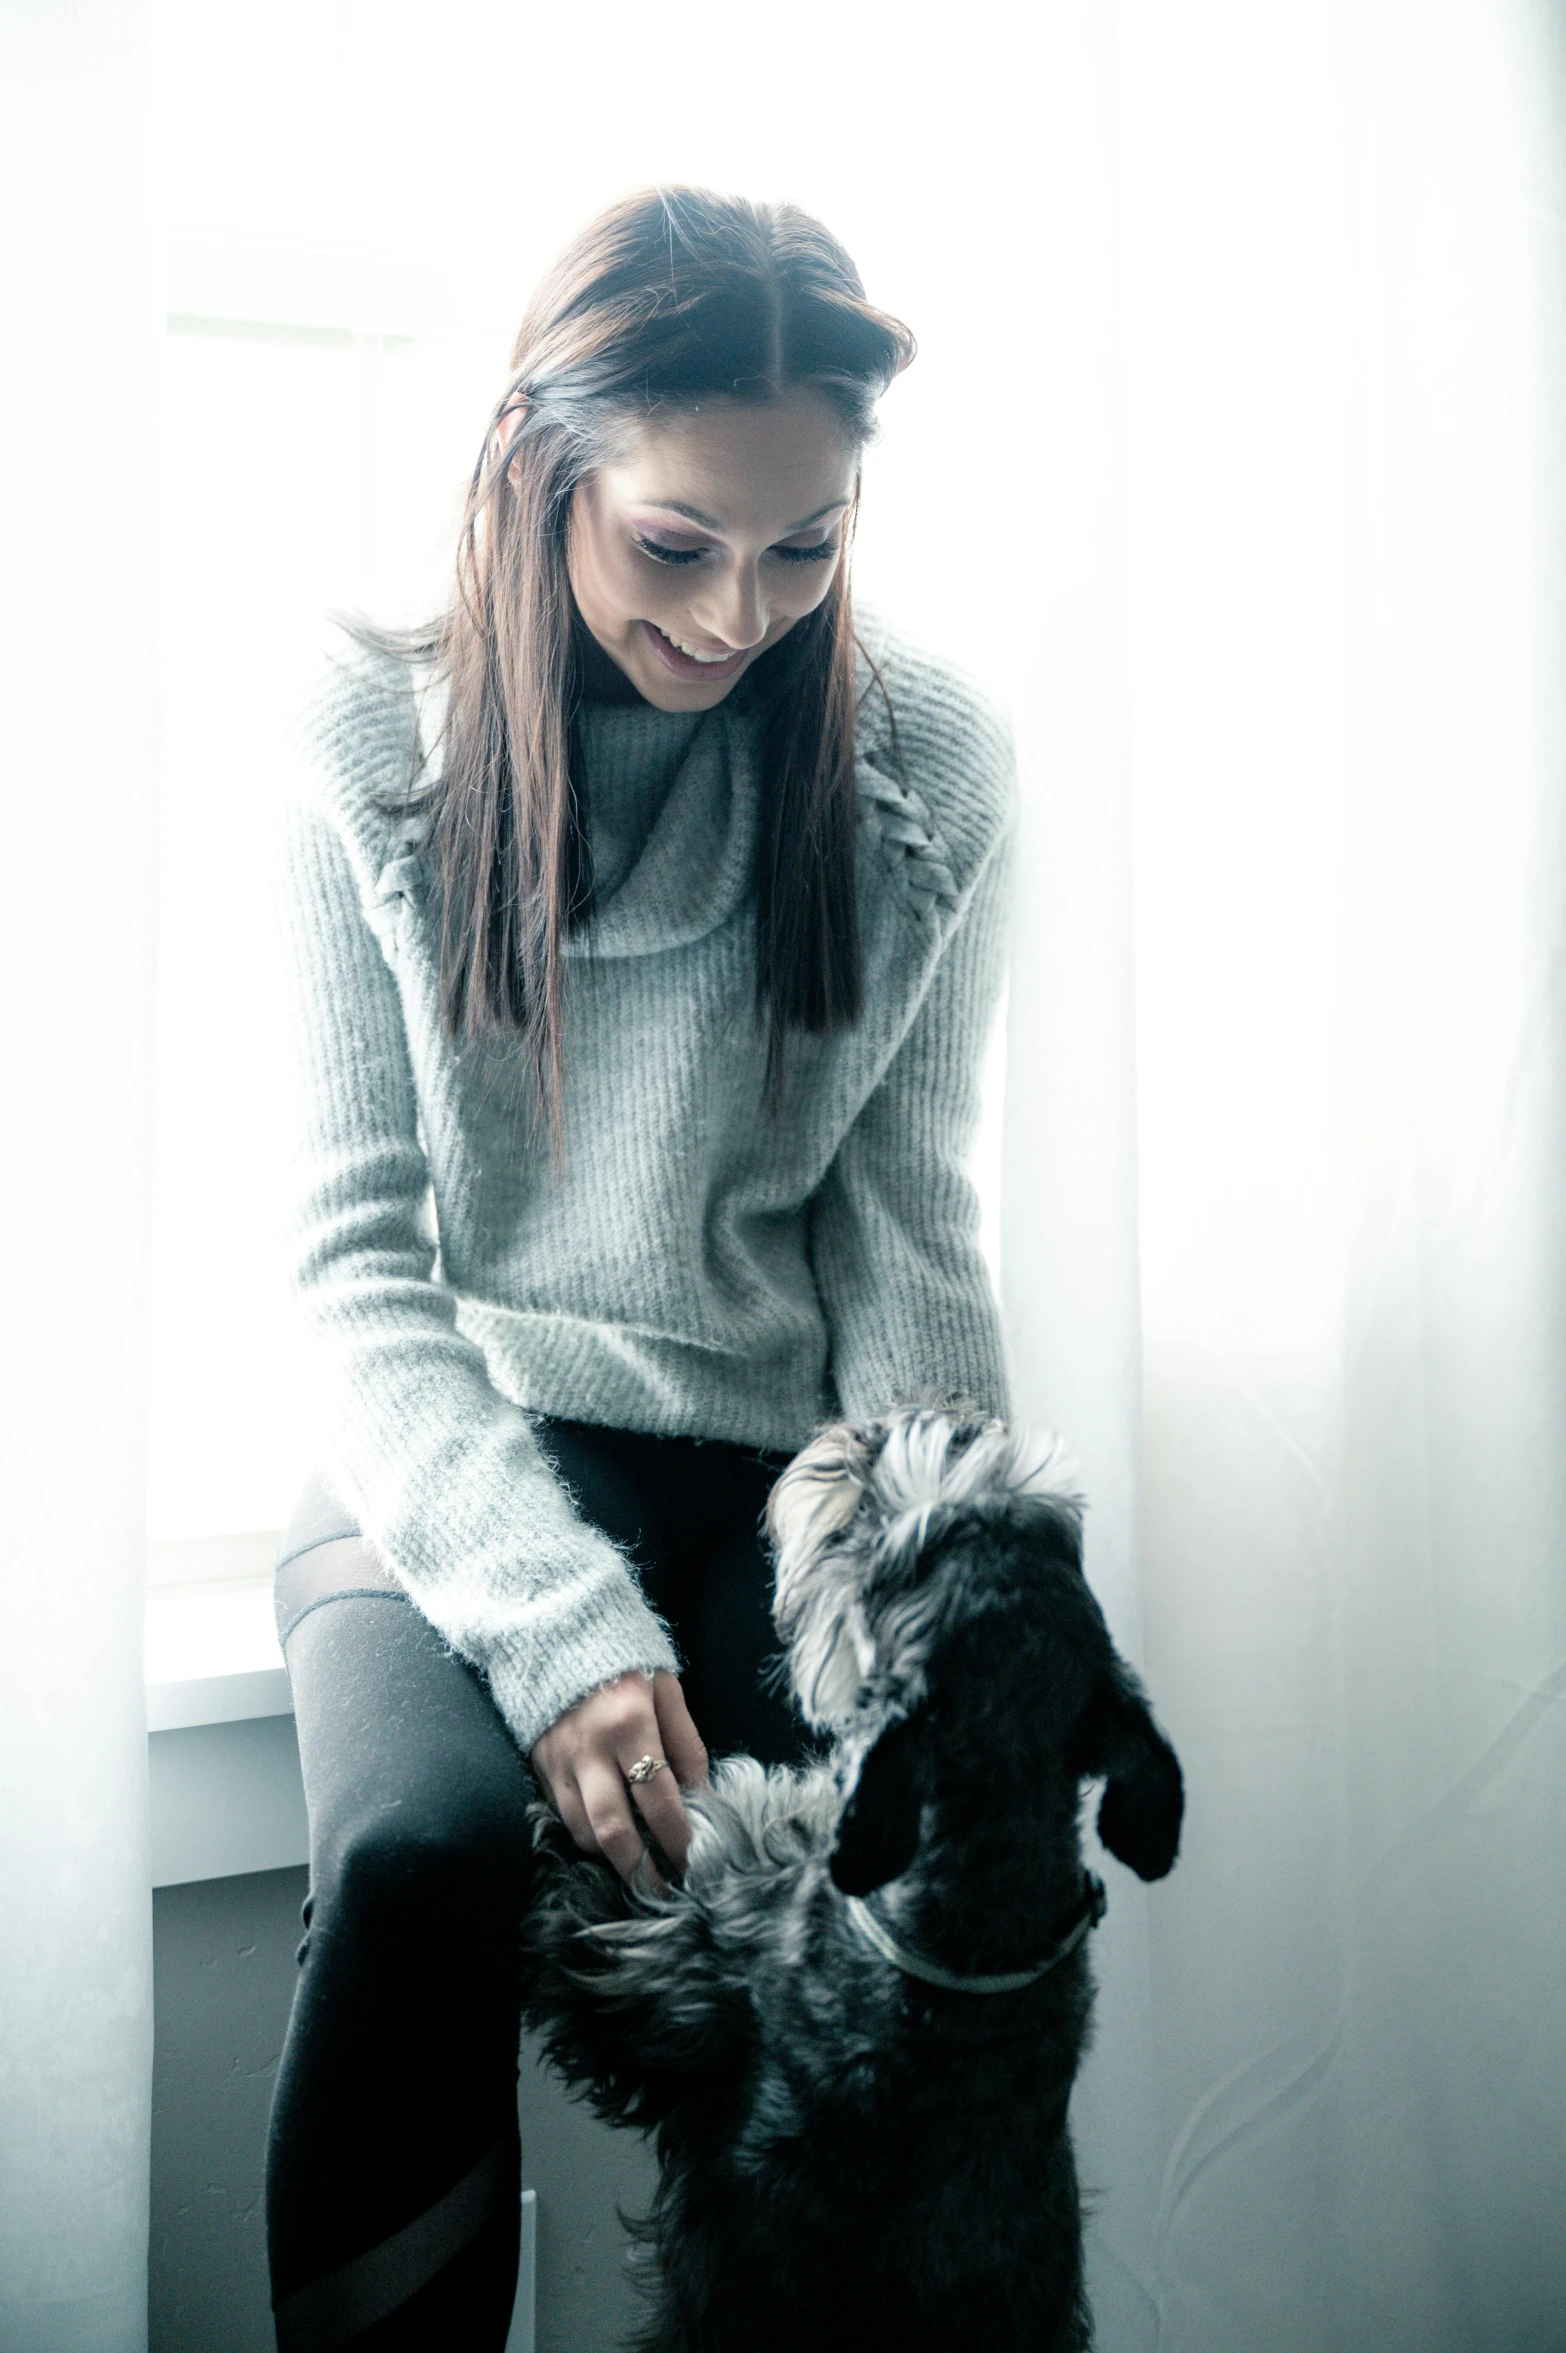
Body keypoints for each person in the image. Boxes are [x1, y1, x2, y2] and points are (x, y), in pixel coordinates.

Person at [265, 184, 1016, 2352]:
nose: (744, 610)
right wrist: (562, 1631)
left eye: (810, 544)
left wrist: (958, 1594)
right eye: (681, 541)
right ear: (542, 465)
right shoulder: (364, 742)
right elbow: (353, 1267)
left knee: (868, 1902)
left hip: (770, 1468)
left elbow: (908, 1231)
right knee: (421, 1860)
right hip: (460, 1441)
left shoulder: (929, 771)